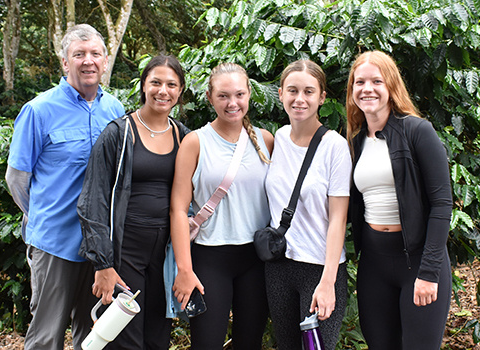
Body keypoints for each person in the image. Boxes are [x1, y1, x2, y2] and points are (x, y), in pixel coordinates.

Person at [5, 24, 124, 350]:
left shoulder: (114, 110)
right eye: (79, 54)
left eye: (95, 54)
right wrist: (42, 215)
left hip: (99, 247)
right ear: (64, 62)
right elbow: (16, 179)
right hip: (55, 243)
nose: (88, 61)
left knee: (96, 334)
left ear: (105, 60)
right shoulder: (38, 111)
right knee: (47, 335)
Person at [76, 54, 190, 350]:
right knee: (123, 338)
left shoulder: (184, 137)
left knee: (157, 337)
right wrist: (103, 264)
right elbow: (92, 200)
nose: (162, 91)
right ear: (143, 86)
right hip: (124, 251)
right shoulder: (119, 133)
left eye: (171, 84)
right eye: (155, 82)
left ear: (180, 91)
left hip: (164, 256)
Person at [346, 50, 453, 349]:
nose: (367, 89)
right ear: (352, 90)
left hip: (418, 263)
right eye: (359, 82)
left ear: (391, 86)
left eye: (376, 81)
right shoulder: (355, 142)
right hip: (374, 266)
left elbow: (442, 205)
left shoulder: (418, 131)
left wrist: (429, 272)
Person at [169, 62, 274, 350]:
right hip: (209, 257)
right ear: (210, 97)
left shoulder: (266, 141)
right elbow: (178, 210)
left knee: (249, 342)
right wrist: (184, 269)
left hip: (256, 257)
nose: (232, 103)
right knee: (207, 343)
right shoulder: (195, 142)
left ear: (250, 94)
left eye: (239, 94)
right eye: (223, 96)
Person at [264, 60, 351, 349]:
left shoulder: (335, 146)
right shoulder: (277, 138)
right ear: (280, 94)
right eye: (292, 90)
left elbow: (338, 219)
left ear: (322, 97)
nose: (299, 99)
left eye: (308, 91)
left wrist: (328, 282)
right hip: (279, 266)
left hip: (320, 269)